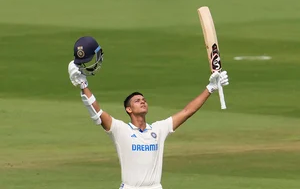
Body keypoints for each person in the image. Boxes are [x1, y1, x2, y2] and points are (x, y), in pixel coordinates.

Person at [68, 36, 229, 189]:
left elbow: (187, 111)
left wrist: (210, 88)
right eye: (137, 101)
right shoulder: (120, 130)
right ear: (128, 109)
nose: (143, 101)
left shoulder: (159, 129)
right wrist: (83, 85)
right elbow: (97, 112)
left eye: (144, 99)